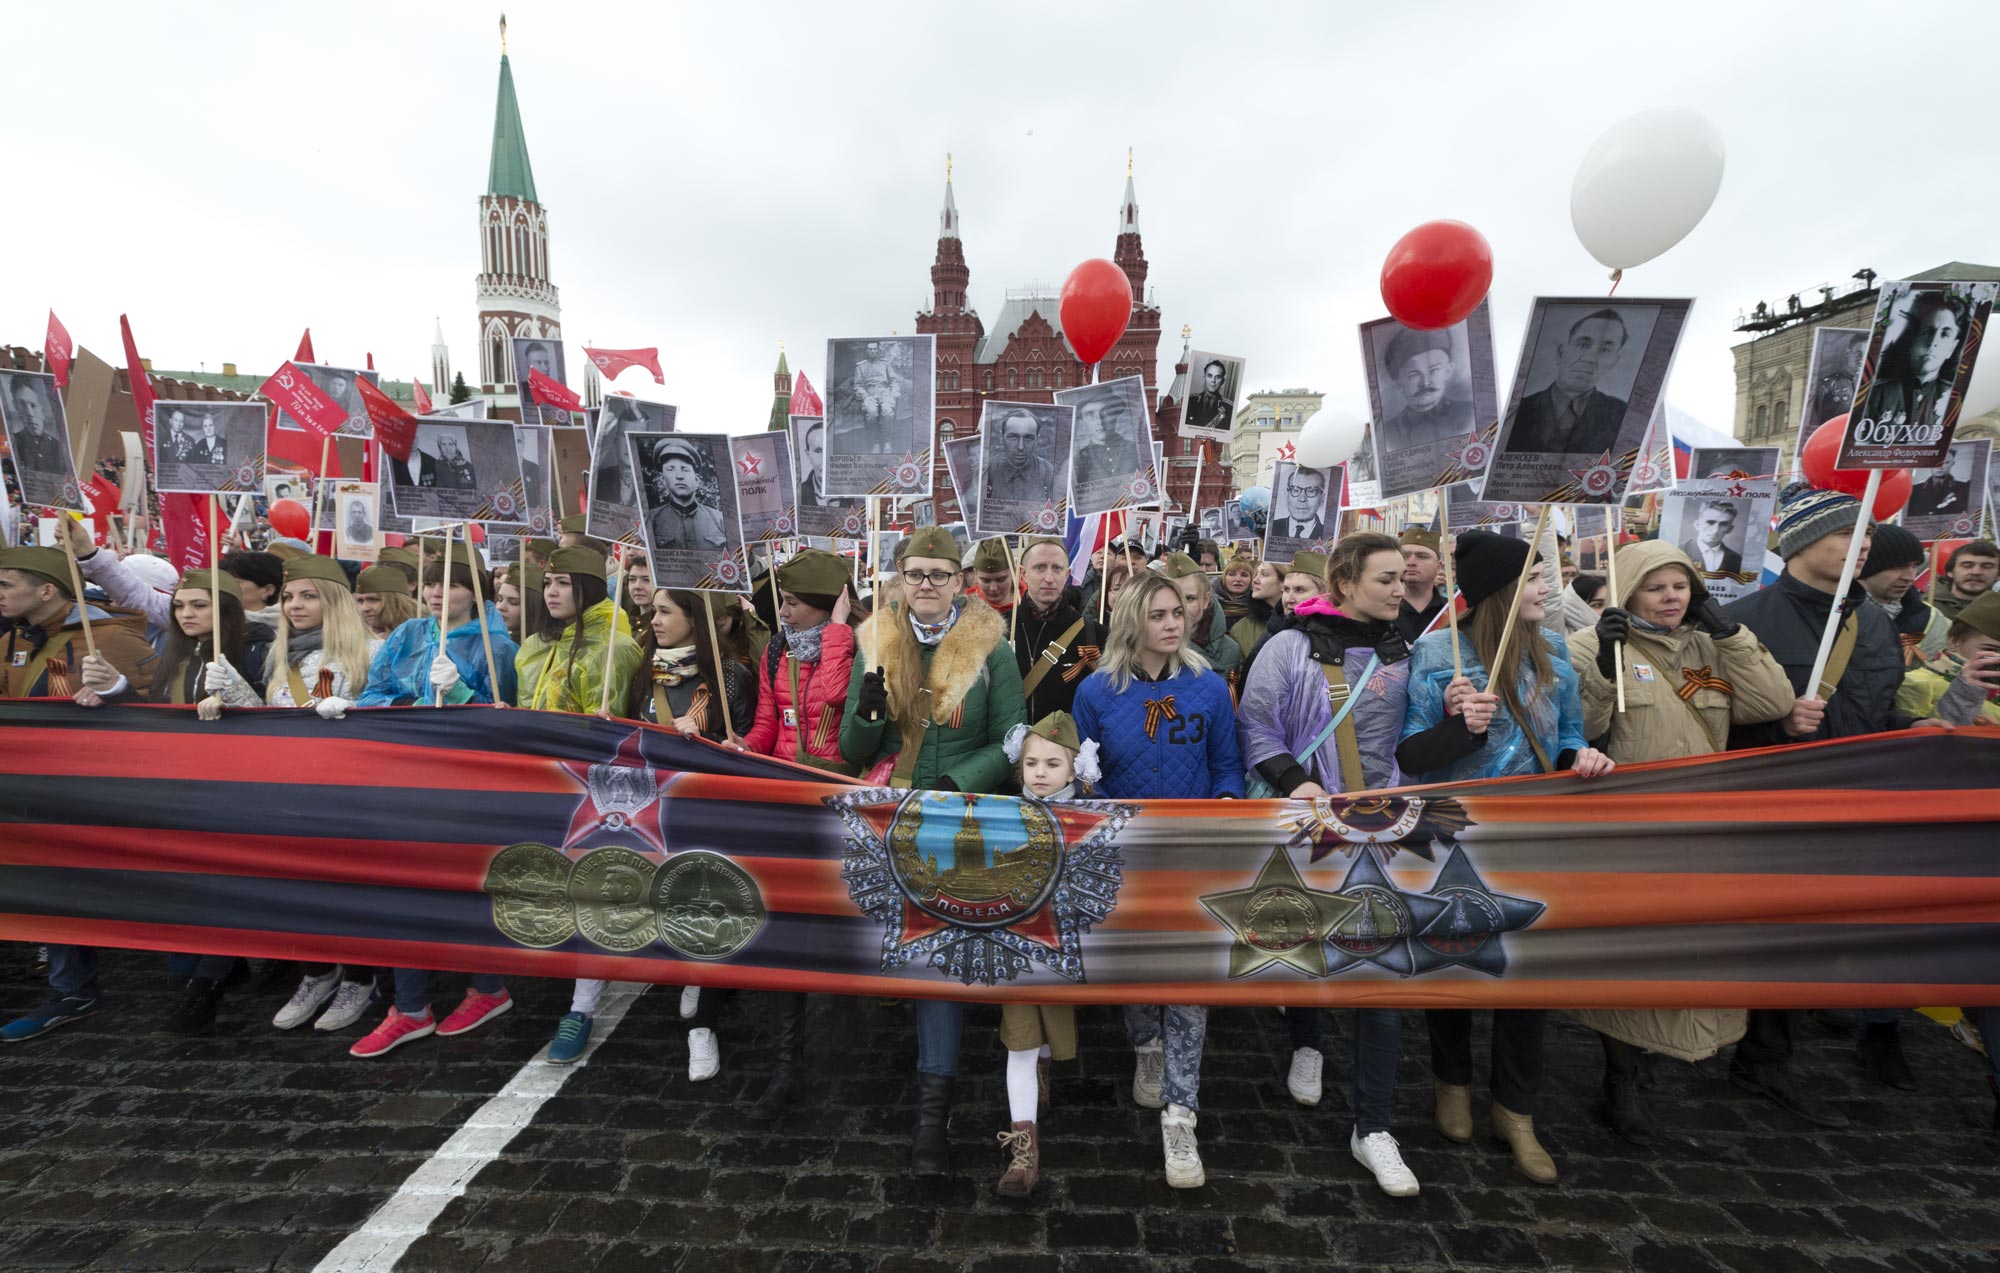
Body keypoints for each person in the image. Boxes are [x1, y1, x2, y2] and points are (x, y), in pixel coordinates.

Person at [1236, 532, 1454, 1196]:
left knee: (1381, 969)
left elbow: (1415, 744)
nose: (1399, 587)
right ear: (1345, 582)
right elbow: (1256, 724)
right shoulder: (1288, 645)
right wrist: (1295, 780)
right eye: (1386, 578)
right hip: (1309, 823)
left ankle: (1373, 1125)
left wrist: (1457, 717)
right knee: (1304, 942)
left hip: (1385, 830)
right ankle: (1307, 1042)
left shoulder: (1411, 651)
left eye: (1402, 577)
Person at [1398, 529, 1615, 1185]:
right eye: (1534, 579)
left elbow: (1568, 734)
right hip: (1456, 833)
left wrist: (1584, 757)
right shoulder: (1438, 651)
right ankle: (1452, 1084)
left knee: (1526, 971)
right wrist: (1457, 725)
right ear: (1499, 589)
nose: (1548, 589)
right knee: (1454, 957)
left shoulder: (1554, 649)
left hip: (1533, 832)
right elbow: (1412, 754)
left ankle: (1516, 1110)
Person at [1565, 541, 1794, 1144]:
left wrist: (1729, 632)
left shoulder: (1710, 644)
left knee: (1693, 948)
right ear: (1628, 591)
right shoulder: (1589, 643)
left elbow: (1772, 703)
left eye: (1681, 586)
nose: (1671, 598)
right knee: (1628, 955)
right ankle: (1621, 1077)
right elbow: (1577, 728)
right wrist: (1604, 664)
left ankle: (1667, 1051)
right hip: (1630, 832)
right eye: (1655, 587)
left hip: (1705, 828)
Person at [1721, 484, 1936, 1122]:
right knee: (1773, 934)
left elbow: (1872, 710)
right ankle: (1762, 1057)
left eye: (1867, 533)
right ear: (1801, 542)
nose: (1863, 544)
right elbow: (1705, 725)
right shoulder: (1744, 621)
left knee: (1818, 932)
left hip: (1853, 805)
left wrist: (1911, 727)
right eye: (1847, 533)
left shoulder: (1874, 622)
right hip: (1771, 809)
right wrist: (1777, 725)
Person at [839, 526, 1025, 1175]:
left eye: (938, 575)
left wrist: (952, 783)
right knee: (896, 950)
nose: (925, 584)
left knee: (939, 952)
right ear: (900, 577)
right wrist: (865, 714)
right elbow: (854, 752)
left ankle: (931, 1114)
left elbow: (1010, 739)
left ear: (958, 581)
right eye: (914, 573)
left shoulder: (991, 645)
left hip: (958, 820)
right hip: (891, 818)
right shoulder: (878, 640)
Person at [1071, 574, 1242, 1189]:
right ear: (1131, 621)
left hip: (1194, 851)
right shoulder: (1095, 691)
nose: (1173, 624)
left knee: (1190, 977)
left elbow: (1227, 764)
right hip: (1127, 850)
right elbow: (1085, 775)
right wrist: (1108, 816)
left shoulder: (1209, 687)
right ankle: (1145, 1044)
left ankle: (1181, 1110)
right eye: (1158, 615)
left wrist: (1225, 806)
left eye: (1178, 613)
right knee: (1136, 959)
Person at [208, 554, 388, 1034]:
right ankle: (317, 970)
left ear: (334, 600)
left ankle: (360, 977)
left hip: (349, 794)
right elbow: (272, 724)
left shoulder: (373, 650)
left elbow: (393, 713)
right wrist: (232, 692)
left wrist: (356, 711)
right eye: (289, 596)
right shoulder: (279, 653)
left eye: (308, 596)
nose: (294, 605)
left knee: (347, 889)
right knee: (297, 888)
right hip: (289, 790)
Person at [725, 550, 858, 1118]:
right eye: (783, 601)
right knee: (788, 927)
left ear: (826, 606)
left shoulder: (851, 645)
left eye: (794, 602)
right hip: (786, 801)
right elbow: (764, 722)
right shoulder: (776, 651)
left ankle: (852, 1029)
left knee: (839, 920)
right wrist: (745, 747)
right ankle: (786, 1065)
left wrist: (839, 632)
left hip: (835, 799)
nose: (783, 611)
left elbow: (835, 696)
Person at [992, 711, 1100, 1197]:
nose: (1039, 772)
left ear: (1074, 769)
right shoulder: (1002, 814)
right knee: (1019, 1039)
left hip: (1061, 949)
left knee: (1044, 1033)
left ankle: (1043, 1066)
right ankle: (1024, 1150)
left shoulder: (1093, 818)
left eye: (1053, 764)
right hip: (1016, 945)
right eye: (1032, 763)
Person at [357, 549, 519, 708]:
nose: (436, 593)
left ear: (476, 594)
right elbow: (370, 697)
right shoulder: (408, 633)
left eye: (450, 586)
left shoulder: (496, 648)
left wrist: (460, 694)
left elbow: (501, 714)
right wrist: (412, 705)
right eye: (429, 584)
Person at [518, 545, 643, 714]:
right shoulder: (536, 644)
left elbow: (603, 724)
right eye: (547, 583)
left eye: (563, 583)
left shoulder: (613, 648)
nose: (551, 592)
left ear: (589, 588)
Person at [1508, 308, 1630, 456]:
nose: (1589, 359)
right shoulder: (1517, 411)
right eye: (1583, 345)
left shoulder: (1623, 415)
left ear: (1612, 363)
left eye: (1604, 350)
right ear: (1561, 353)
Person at [1011, 536, 1106, 722]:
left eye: (1057, 568)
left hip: (1070, 739)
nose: (1049, 578)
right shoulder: (1001, 630)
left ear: (1067, 574)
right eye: (1039, 567)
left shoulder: (1095, 635)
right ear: (1023, 573)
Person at [1855, 291, 1968, 441]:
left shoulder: (1954, 398)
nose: (1933, 342)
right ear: (1913, 338)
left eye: (1945, 334)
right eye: (1927, 332)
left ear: (1952, 348)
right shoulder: (1876, 394)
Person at [1858, 524, 1948, 667]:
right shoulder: (1837, 612)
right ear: (1867, 566)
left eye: (1915, 566)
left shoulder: (1930, 618)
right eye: (1897, 567)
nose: (1910, 577)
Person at [1380, 327, 1475, 446]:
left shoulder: (1469, 413)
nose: (1425, 383)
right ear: (1399, 384)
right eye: (1414, 375)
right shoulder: (1388, 433)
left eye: (1433, 370)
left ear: (1448, 371)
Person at [1162, 553, 1243, 684]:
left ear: (1205, 600)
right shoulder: (1152, 644)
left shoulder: (1229, 649)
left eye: (1190, 598)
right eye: (1174, 598)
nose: (1181, 607)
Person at [645, 437, 726, 554]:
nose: (679, 476)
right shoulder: (650, 521)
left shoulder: (719, 520)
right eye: (671, 469)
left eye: (685, 469)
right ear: (663, 481)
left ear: (697, 481)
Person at [983, 408, 1055, 507]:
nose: (1020, 447)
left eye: (1028, 438)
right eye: (1013, 437)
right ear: (1001, 438)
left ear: (1037, 440)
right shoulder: (987, 470)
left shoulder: (1048, 472)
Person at [6, 376, 67, 480]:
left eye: (33, 405)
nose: (29, 413)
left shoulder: (57, 447)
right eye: (22, 405)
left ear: (43, 410)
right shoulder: (14, 442)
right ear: (15, 406)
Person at [1073, 395, 1139, 490]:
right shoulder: (1077, 461)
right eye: (1090, 414)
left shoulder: (1137, 451)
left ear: (1115, 416)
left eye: (1106, 412)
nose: (1099, 421)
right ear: (1082, 422)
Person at [1395, 529, 1447, 644]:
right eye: (1404, 556)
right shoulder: (1381, 609)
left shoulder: (1450, 611)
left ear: (1439, 566)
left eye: (1422, 557)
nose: (1411, 562)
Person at [1228, 558, 1283, 663]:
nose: (1255, 580)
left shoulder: (1304, 624)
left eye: (1264, 574)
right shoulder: (1241, 629)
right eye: (1256, 574)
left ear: (1284, 583)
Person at [1935, 540, 2000, 624]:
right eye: (1967, 566)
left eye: (1987, 567)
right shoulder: (1926, 607)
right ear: (1950, 572)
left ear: (1998, 575)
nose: (1976, 572)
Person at [353, 564, 421, 640]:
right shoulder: (353, 638)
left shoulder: (421, 635)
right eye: (360, 600)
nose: (364, 608)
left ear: (396, 601)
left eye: (373, 599)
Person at [1679, 500, 1744, 575]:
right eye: (1710, 522)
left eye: (1723, 524)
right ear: (1697, 525)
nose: (1715, 530)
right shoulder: (1679, 551)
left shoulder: (1736, 559)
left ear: (1729, 529)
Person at [1908, 447, 1974, 518]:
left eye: (1946, 462)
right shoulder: (1914, 490)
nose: (1940, 467)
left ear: (1952, 464)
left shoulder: (1965, 489)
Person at [1269, 466, 1329, 541]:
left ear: (1322, 498)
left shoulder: (1329, 535)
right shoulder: (1271, 527)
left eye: (1311, 491)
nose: (1302, 499)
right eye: (1296, 490)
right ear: (1287, 495)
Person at [1183, 360, 1234, 434]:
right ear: (1204, 377)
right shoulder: (1189, 401)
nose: (1213, 381)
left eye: (1218, 377)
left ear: (1222, 381)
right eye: (1210, 376)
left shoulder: (1229, 408)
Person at [967, 538, 1015, 615]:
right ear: (975, 574)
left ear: (1014, 572)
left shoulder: (1030, 602)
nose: (993, 588)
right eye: (985, 581)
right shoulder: (965, 608)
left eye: (1001, 580)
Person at [797, 419, 836, 507]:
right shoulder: (798, 494)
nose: (825, 458)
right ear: (808, 455)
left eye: (830, 449)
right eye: (818, 451)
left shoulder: (854, 492)